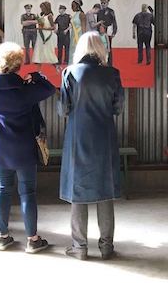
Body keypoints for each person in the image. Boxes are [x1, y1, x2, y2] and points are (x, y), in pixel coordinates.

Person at [58, 31, 124, 261]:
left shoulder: (70, 73)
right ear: (101, 48)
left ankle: (79, 247)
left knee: (78, 190)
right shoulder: (112, 74)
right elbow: (118, 108)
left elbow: (63, 109)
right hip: (104, 136)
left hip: (78, 136)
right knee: (105, 190)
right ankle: (106, 247)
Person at [0, 42, 56, 253]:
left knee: (3, 189)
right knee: (28, 193)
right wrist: (35, 76)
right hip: (24, 150)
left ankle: (3, 236)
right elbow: (49, 88)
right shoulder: (26, 91)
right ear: (19, 65)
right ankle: (33, 240)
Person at [32, 1, 58, 66]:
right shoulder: (43, 15)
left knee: (48, 49)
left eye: (42, 8)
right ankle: (39, 61)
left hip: (47, 34)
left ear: (46, 8)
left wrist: (43, 28)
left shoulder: (50, 16)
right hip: (41, 34)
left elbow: (53, 27)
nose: (41, 9)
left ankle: (52, 62)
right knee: (39, 48)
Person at [97, 0, 117, 66]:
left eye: (104, 3)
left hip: (108, 30)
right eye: (102, 3)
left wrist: (114, 31)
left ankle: (109, 63)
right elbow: (98, 22)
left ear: (107, 3)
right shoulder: (99, 11)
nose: (103, 4)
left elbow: (114, 21)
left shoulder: (111, 11)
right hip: (100, 31)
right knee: (100, 47)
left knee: (108, 47)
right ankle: (101, 62)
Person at [68, 0, 87, 64]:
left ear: (77, 5)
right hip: (73, 36)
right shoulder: (75, 14)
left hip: (79, 36)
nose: (71, 7)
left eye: (73, 5)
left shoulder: (82, 15)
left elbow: (84, 28)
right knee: (73, 52)